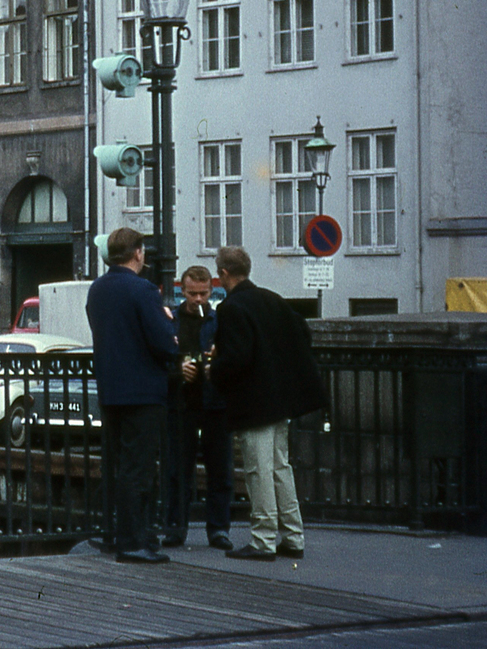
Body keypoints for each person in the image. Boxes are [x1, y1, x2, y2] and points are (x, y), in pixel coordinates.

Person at [207, 246, 328, 561]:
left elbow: (237, 357)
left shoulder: (231, 308)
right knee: (279, 468)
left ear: (223, 274)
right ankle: (293, 536)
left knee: (258, 470)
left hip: (254, 402)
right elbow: (301, 332)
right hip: (280, 400)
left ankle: (262, 540)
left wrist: (212, 369)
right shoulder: (272, 299)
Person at [86, 227, 179, 564]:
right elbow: (161, 340)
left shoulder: (97, 289)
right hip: (143, 390)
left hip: (111, 389)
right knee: (139, 468)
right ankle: (133, 541)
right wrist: (172, 333)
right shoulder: (143, 289)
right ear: (138, 253)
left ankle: (119, 534)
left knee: (119, 464)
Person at [162, 266, 233, 551]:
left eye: (204, 294)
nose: (199, 300)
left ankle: (218, 529)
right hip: (182, 403)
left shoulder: (218, 321)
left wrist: (215, 364)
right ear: (182, 290)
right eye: (193, 294)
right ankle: (175, 529)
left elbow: (230, 356)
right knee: (178, 469)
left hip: (214, 401)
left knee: (220, 468)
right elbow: (160, 356)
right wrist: (178, 371)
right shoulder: (171, 321)